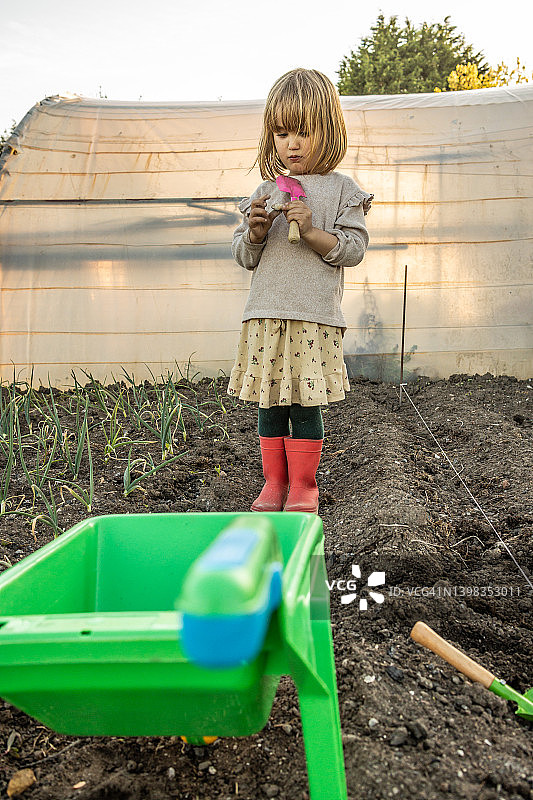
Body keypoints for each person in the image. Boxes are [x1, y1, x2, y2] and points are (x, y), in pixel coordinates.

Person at [227, 68, 372, 514]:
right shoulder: (266, 191)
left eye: (304, 132)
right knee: (270, 401)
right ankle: (274, 484)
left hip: (313, 316)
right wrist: (253, 232)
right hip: (267, 314)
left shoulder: (342, 190)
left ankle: (304, 485)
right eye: (282, 132)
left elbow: (353, 250)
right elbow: (245, 256)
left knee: (304, 404)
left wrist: (310, 231)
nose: (292, 143)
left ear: (328, 130)